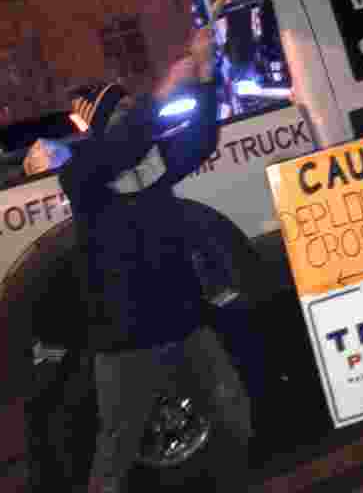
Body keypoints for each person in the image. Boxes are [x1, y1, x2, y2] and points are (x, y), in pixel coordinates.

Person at [60, 27, 253, 493]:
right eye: (121, 112)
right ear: (103, 126)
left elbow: (201, 141)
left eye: (132, 109)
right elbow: (119, 148)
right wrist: (163, 90)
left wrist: (205, 78)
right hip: (125, 339)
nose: (133, 117)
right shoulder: (82, 175)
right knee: (118, 444)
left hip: (183, 318)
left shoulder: (153, 161)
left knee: (232, 408)